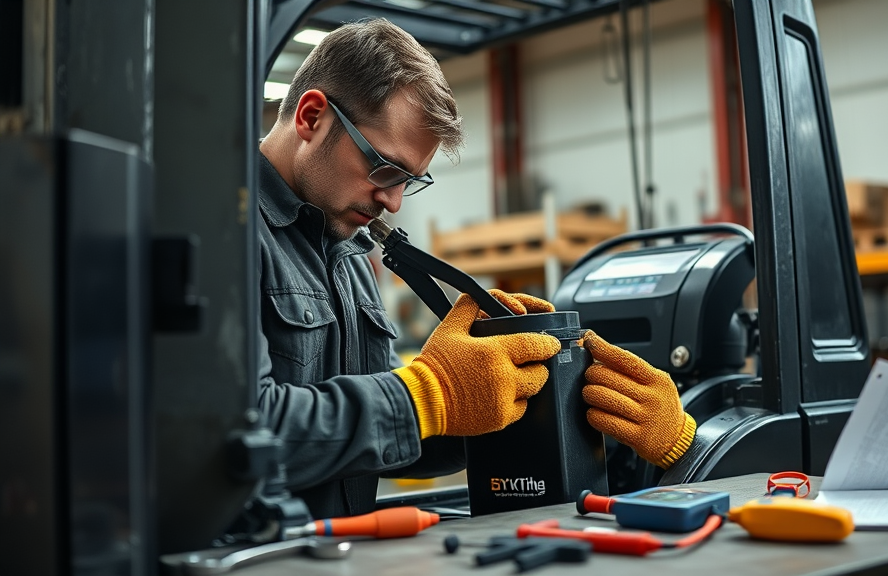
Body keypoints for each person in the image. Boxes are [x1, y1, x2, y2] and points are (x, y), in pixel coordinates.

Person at [256, 18, 695, 519]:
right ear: (312, 117)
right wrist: (428, 393)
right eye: (385, 168)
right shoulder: (226, 238)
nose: (394, 203)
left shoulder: (348, 252)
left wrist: (507, 404)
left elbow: (367, 445)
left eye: (411, 181)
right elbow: (235, 438)